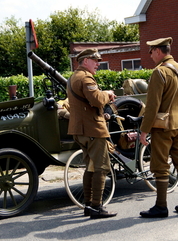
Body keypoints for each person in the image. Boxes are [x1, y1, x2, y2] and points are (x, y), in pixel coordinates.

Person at [139, 37, 178, 218]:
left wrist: (144, 130)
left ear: (158, 51)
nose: (150, 56)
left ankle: (161, 206)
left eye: (151, 52)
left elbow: (152, 106)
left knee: (160, 165)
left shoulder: (159, 73)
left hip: (163, 127)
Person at [67, 48, 117, 219]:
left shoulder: (73, 77)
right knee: (101, 167)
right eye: (95, 61)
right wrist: (108, 94)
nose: (98, 64)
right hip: (93, 129)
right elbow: (96, 99)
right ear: (86, 60)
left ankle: (89, 205)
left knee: (90, 167)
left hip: (80, 130)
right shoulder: (86, 77)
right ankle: (97, 206)